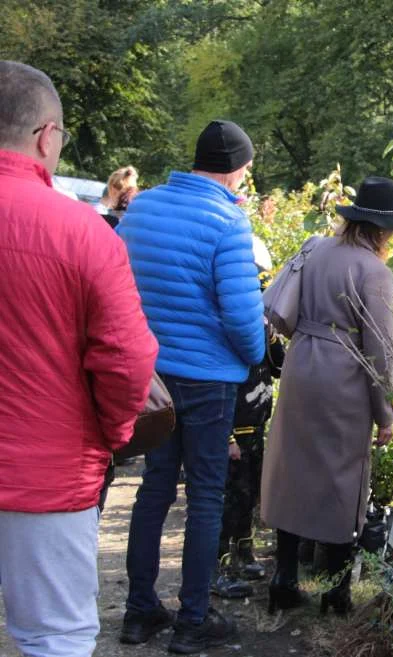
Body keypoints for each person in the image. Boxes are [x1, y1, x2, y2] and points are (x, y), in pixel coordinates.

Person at [0, 61, 158, 657]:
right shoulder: (82, 231)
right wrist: (114, 433)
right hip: (48, 472)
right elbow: (128, 359)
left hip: (46, 467)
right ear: (47, 136)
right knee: (55, 639)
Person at [117, 120, 266, 654]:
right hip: (207, 380)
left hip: (151, 376)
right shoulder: (228, 223)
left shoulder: (144, 208)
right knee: (205, 495)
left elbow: (120, 284)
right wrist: (254, 357)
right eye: (247, 168)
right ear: (234, 170)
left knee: (154, 488)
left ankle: (138, 613)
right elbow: (244, 318)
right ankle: (192, 621)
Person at [260, 176, 393, 615]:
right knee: (342, 479)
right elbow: (380, 351)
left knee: (292, 470)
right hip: (343, 378)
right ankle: (336, 591)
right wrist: (385, 414)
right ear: (384, 229)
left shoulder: (315, 247)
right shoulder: (376, 272)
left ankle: (284, 579)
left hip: (300, 365)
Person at [212, 236, 285, 600]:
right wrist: (226, 438)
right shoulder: (225, 326)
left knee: (249, 496)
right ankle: (220, 564)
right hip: (233, 426)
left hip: (256, 422)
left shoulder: (261, 325)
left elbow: (280, 367)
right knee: (229, 497)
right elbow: (222, 383)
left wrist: (271, 338)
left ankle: (244, 552)